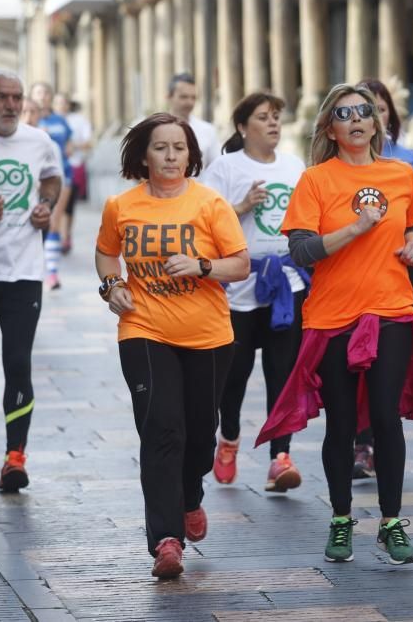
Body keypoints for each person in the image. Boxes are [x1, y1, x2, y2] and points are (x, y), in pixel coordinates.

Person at [255, 84, 413, 566]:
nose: (357, 119)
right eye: (345, 113)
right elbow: (300, 251)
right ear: (331, 128)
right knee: (341, 423)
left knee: (385, 416)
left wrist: (412, 244)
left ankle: (390, 523)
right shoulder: (316, 181)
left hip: (391, 309)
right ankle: (341, 519)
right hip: (332, 315)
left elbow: (411, 224)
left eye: (364, 111)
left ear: (376, 123)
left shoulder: (401, 173)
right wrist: (356, 228)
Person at [95, 113, 249, 579]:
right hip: (144, 329)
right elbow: (106, 252)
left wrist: (202, 266)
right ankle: (165, 540)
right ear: (144, 155)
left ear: (191, 155)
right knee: (162, 431)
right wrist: (111, 285)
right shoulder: (121, 206)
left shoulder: (210, 205)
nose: (170, 156)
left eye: (178, 148)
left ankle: (190, 497)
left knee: (200, 436)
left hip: (208, 335)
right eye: (160, 148)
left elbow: (239, 265)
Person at [200, 92, 308, 492]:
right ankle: (228, 440)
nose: (274, 123)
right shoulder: (225, 168)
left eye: (277, 116)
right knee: (233, 377)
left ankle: (280, 457)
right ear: (243, 127)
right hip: (238, 290)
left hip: (285, 285)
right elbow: (203, 222)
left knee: (282, 376)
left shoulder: (295, 166)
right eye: (264, 117)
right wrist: (243, 206)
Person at [0, 69, 63, 491]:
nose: (10, 105)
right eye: (1, 97)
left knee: (18, 363)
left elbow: (52, 178)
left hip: (23, 272)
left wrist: (45, 205)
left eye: (16, 97)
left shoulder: (38, 141)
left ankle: (15, 457)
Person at [350, 77, 413, 480]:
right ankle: (361, 441)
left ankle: (382, 435)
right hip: (354, 278)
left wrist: (411, 234)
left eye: (379, 109)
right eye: (364, 109)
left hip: (401, 271)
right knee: (356, 361)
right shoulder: (337, 163)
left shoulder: (405, 161)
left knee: (389, 363)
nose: (372, 117)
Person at [31, 82, 72, 289]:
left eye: (46, 92)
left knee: (54, 221)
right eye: (38, 92)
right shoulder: (28, 118)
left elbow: (69, 145)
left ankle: (53, 273)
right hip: (33, 178)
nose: (43, 96)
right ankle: (36, 268)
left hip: (60, 174)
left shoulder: (59, 121)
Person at [53, 94, 93, 253]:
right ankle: (58, 236)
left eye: (63, 102)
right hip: (54, 168)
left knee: (69, 205)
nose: (61, 106)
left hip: (74, 165)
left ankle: (65, 234)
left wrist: (72, 146)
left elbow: (89, 142)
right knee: (56, 203)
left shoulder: (78, 120)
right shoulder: (48, 120)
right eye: (57, 103)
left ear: (69, 105)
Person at [166, 73, 221, 167]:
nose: (189, 102)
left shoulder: (208, 130)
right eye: (184, 97)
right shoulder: (152, 128)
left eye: (193, 97)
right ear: (169, 97)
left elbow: (217, 166)